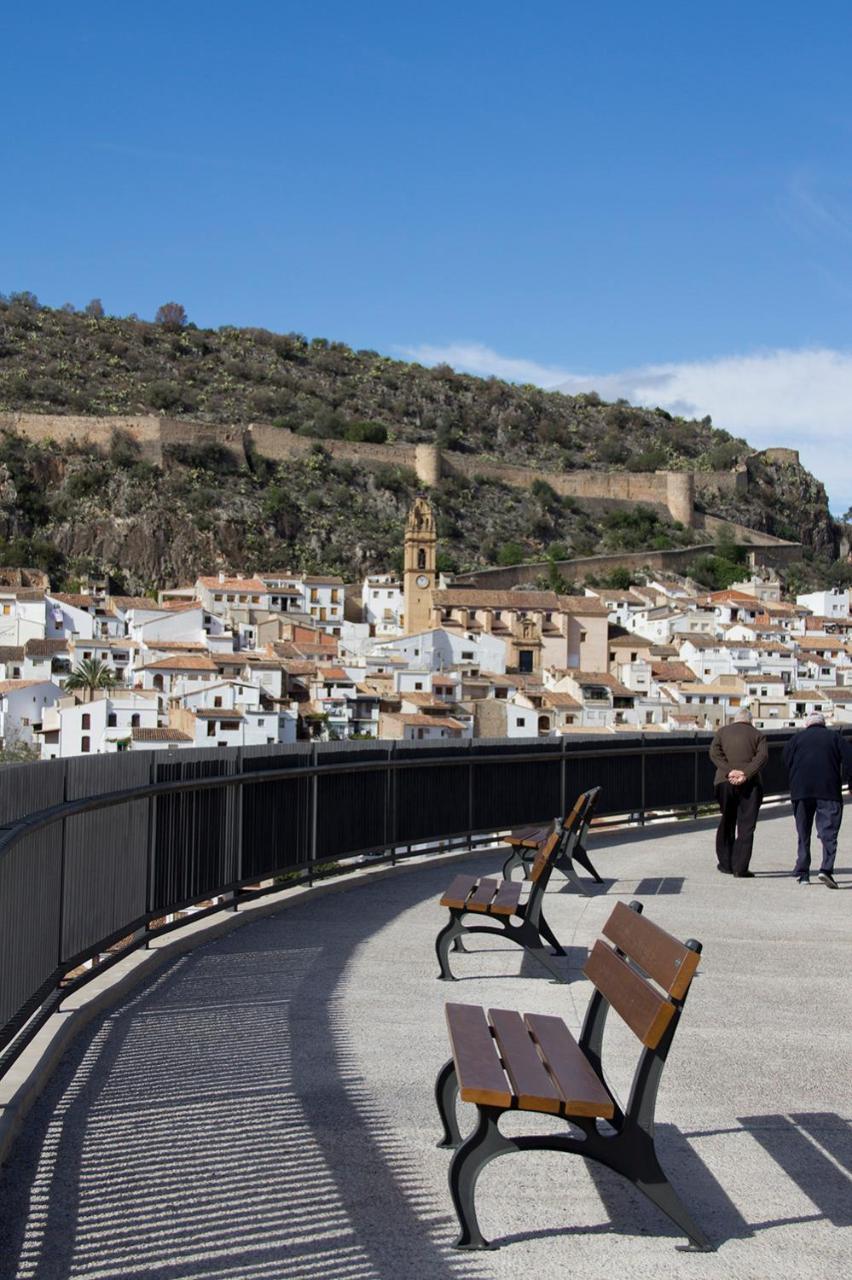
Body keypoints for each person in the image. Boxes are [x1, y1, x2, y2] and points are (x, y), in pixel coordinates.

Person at [782, 711, 852, 888]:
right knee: (828, 831)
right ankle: (826, 869)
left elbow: (785, 760)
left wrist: (795, 779)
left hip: (801, 790)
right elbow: (850, 760)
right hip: (829, 790)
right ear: (824, 724)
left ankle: (804, 873)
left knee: (803, 831)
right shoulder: (835, 737)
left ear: (807, 724)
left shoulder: (796, 739)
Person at [709, 708, 768, 878]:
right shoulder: (758, 735)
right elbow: (762, 757)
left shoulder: (722, 732)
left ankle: (725, 864)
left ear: (734, 720)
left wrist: (729, 771)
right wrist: (746, 773)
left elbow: (714, 753)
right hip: (751, 784)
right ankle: (740, 868)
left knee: (727, 820)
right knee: (746, 826)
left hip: (724, 782)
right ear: (751, 720)